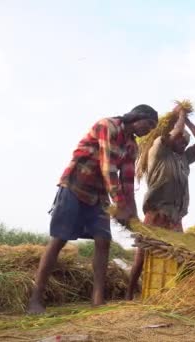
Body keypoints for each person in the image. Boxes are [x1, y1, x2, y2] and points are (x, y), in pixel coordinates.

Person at [27, 104, 159, 314]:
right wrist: (118, 203)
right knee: (59, 239)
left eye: (153, 128)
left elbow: (127, 179)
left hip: (99, 194)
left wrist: (132, 214)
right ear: (137, 117)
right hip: (75, 186)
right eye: (149, 124)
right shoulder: (108, 125)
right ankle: (35, 299)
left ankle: (97, 301)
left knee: (103, 240)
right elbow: (109, 167)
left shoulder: (132, 146)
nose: (149, 130)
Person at [126, 103, 195, 300]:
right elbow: (175, 132)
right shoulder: (159, 151)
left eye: (185, 143)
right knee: (143, 254)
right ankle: (128, 293)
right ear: (170, 138)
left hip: (176, 215)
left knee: (179, 254)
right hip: (156, 212)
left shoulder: (183, 159)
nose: (183, 145)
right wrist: (180, 115)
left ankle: (173, 294)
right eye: (180, 141)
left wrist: (187, 119)